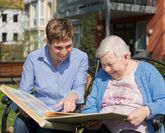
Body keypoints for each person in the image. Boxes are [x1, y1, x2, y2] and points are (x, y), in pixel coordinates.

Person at [13, 17, 88, 133]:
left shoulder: (81, 58)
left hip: (63, 114)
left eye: (68, 46)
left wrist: (71, 97)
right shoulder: (33, 59)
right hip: (37, 113)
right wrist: (23, 108)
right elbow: (24, 92)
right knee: (20, 123)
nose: (64, 52)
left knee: (44, 130)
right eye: (58, 47)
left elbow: (79, 87)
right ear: (48, 42)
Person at [82, 35, 165, 133]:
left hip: (134, 128)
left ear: (126, 57)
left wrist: (147, 110)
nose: (106, 69)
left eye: (110, 64)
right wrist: (91, 122)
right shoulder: (101, 75)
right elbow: (90, 106)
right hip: (103, 128)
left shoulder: (147, 71)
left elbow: (163, 100)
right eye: (103, 65)